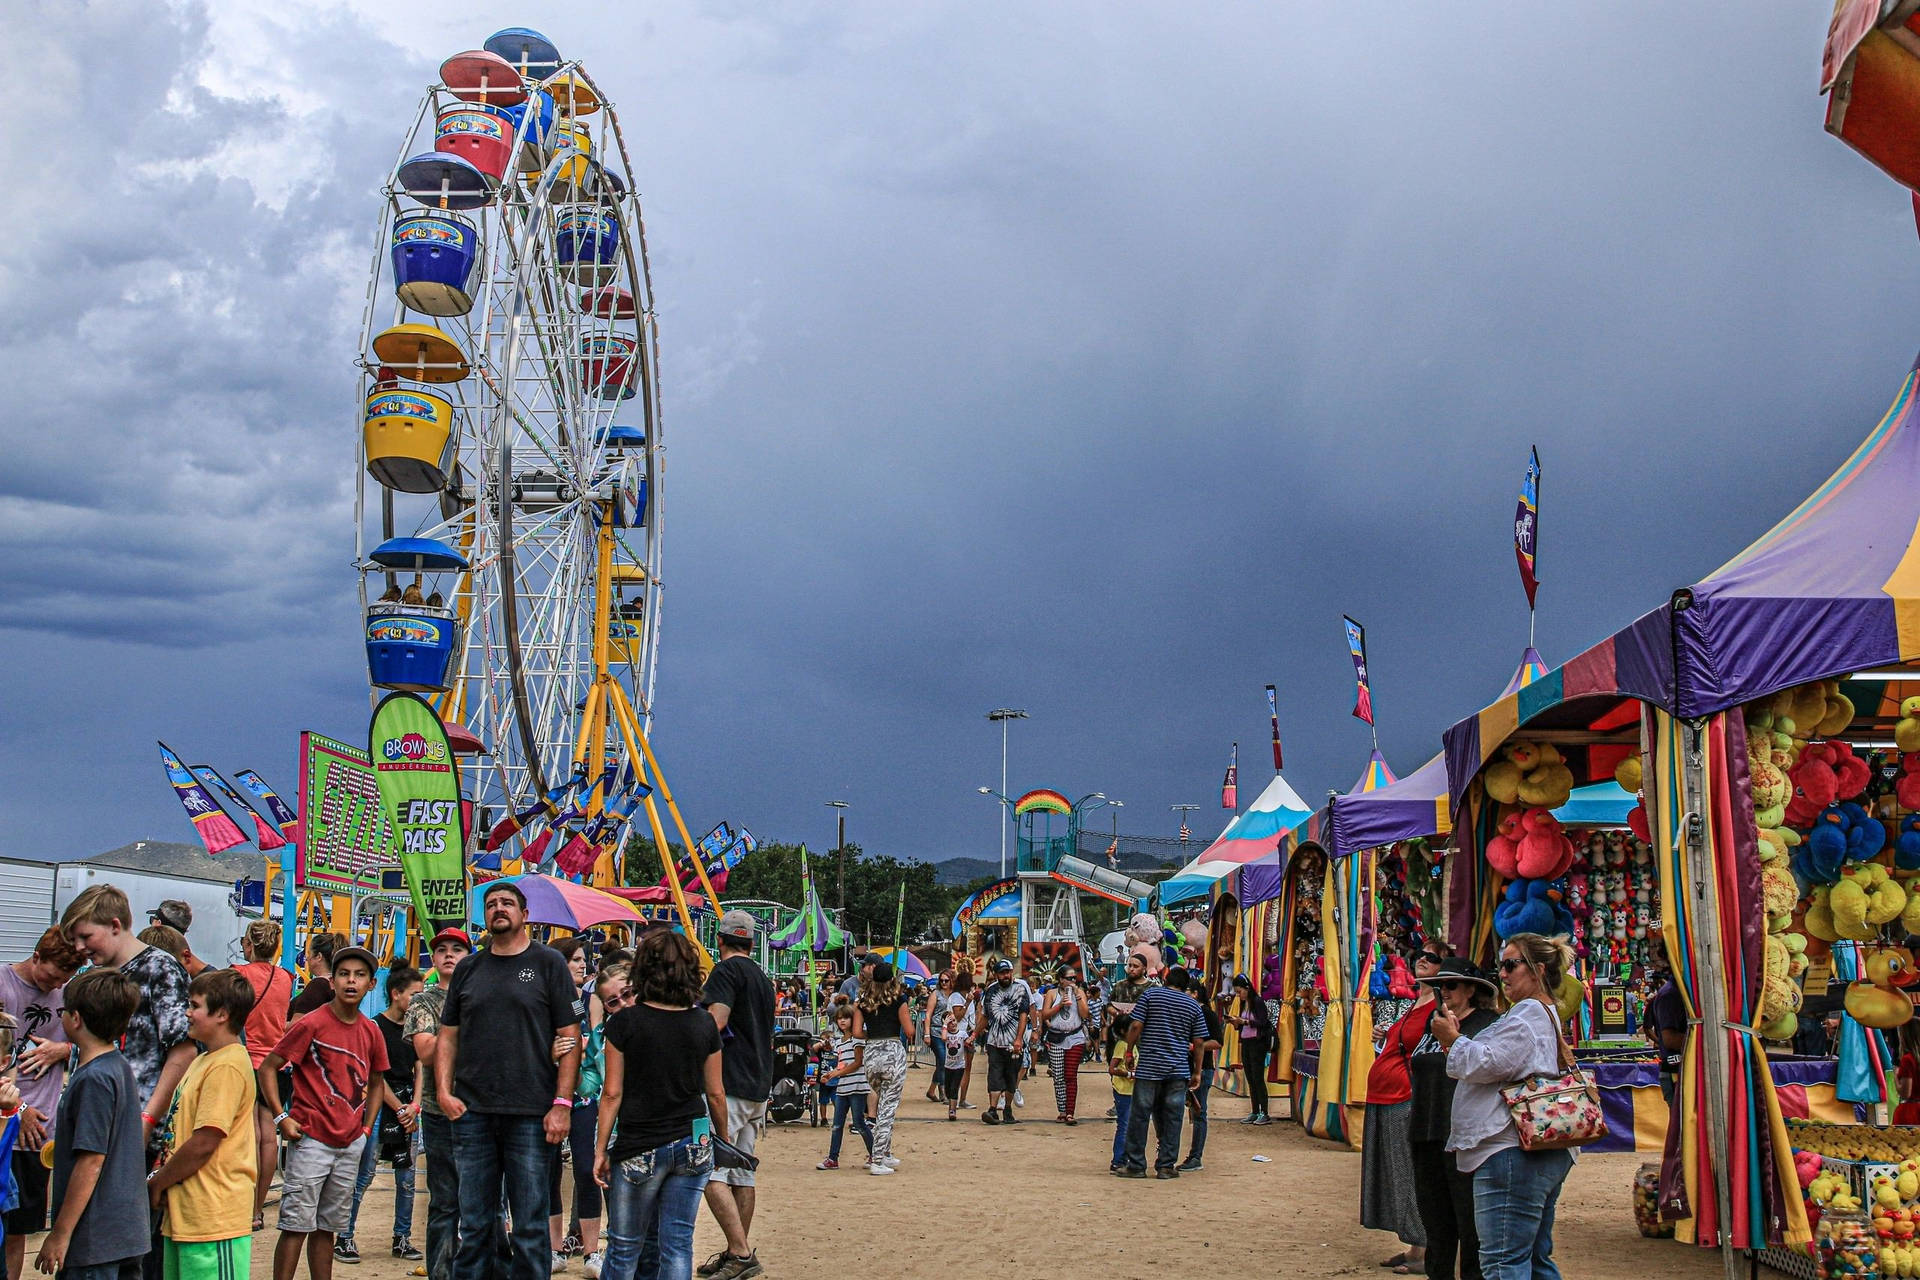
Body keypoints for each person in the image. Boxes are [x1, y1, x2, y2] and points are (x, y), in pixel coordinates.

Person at [436, 884, 581, 1280]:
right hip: (473, 1113)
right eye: (491, 904)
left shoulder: (549, 963)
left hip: (532, 1114)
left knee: (531, 1227)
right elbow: (448, 1035)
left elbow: (570, 1035)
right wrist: (444, 1092)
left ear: (525, 913)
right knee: (476, 1224)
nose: (498, 909)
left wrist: (562, 1104)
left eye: (507, 903)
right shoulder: (469, 967)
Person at [61, 885, 193, 1280]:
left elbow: (183, 1050)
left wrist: (147, 1120)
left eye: (86, 936)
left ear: (115, 925)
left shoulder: (160, 968)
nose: (81, 947)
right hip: (98, 1125)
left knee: (126, 1251)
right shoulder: (95, 975)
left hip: (138, 1137)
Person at [1431, 933, 1578, 1280]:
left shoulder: (1527, 1014)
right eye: (1501, 966)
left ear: (1538, 970)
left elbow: (1489, 1064)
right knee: (1534, 1260)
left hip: (1510, 1150)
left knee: (1502, 1263)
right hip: (1531, 1149)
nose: (1504, 974)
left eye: (1511, 965)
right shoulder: (1540, 1013)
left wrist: (1453, 1040)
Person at [595, 931, 725, 1280]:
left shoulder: (623, 1023)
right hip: (693, 1142)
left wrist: (600, 1149)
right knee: (678, 1244)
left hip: (640, 1144)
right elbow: (715, 1093)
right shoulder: (704, 1023)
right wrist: (722, 1138)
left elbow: (612, 1094)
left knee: (624, 1246)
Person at [258, 946, 394, 1280]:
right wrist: (281, 1116)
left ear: (372, 984)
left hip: (349, 1143)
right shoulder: (313, 1023)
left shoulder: (371, 1031)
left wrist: (365, 1129)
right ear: (331, 981)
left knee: (327, 1228)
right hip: (311, 1140)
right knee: (295, 1226)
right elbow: (269, 1067)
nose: (352, 981)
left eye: (359, 975)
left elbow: (377, 1082)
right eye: (344, 974)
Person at [150, 969, 258, 1280]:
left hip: (214, 1219)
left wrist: (160, 1181)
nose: (188, 1012)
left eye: (195, 1005)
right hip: (188, 1216)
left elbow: (204, 1141)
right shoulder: (202, 1060)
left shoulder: (228, 1065)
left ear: (222, 1014)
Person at [39, 969, 138, 1280]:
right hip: (123, 1233)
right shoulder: (118, 1066)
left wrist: (60, 1233)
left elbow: (91, 1161)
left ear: (76, 1019)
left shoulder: (95, 1078)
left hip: (94, 1239)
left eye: (63, 1010)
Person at [1, 926, 84, 1280]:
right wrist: (19, 1111)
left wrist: (63, 1049)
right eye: (51, 976)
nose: (54, 986)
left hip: (38, 1137)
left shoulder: (67, 995)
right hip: (8, 1124)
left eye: (63, 980)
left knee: (19, 1227)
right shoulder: (4, 984)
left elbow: (95, 1045)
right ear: (37, 956)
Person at [1407, 959, 1499, 1280]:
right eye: (1439, 986)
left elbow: (1486, 1070)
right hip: (1426, 1132)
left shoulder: (1488, 1024)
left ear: (1472, 989)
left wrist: (1454, 1040)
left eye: (1451, 985)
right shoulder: (1433, 1022)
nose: (1442, 991)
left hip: (1464, 1138)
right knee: (1436, 1225)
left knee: (1471, 1227)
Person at [696, 912, 773, 1280]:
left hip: (728, 1083)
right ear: (752, 943)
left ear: (720, 939)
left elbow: (718, 1021)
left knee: (708, 1169)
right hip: (758, 1083)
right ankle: (735, 1253)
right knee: (742, 1173)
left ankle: (740, 1253)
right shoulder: (762, 978)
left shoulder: (724, 973)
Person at [1363, 949, 1443, 1272]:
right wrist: (1385, 1036)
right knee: (1396, 1172)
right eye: (1419, 954)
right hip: (1386, 1094)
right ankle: (1415, 1247)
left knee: (1409, 1173)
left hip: (1405, 1096)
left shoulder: (1437, 1008)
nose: (1422, 959)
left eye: (1431, 956)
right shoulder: (1415, 1002)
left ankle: (1425, 1249)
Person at [339, 967, 423, 1265]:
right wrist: (398, 1106)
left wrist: (414, 1105)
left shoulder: (416, 1028)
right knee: (364, 1175)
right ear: (396, 994)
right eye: (414, 994)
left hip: (408, 1108)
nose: (418, 999)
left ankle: (402, 1237)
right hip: (378, 1107)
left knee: (408, 1179)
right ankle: (344, 1236)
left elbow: (420, 1066)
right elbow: (373, 1075)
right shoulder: (375, 1028)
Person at [403, 928, 471, 1280]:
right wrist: (463, 1023)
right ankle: (441, 1274)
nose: (448, 954)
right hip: (437, 1109)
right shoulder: (422, 1001)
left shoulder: (482, 994)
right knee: (445, 1201)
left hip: (481, 1108)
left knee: (484, 1202)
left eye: (456, 949)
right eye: (441, 949)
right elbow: (427, 1052)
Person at [1117, 965, 1205, 1180]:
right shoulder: (1193, 1005)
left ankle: (1136, 1165)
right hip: (1177, 1069)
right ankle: (1166, 1166)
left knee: (1140, 1115)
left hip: (1149, 1066)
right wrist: (1197, 1071)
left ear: (1166, 979)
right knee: (1173, 1118)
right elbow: (1199, 1041)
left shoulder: (1151, 995)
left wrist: (1129, 1052)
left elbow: (1136, 1025)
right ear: (1185, 986)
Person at [547, 939, 602, 1276]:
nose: (583, 965)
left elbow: (596, 1046)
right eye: (576, 960)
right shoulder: (545, 1002)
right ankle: (554, 1250)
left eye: (584, 960)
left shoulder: (589, 1001)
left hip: (585, 1097)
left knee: (586, 1170)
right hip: (550, 1095)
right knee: (550, 1171)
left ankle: (591, 1251)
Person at [235, 921, 293, 1234]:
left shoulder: (237, 975)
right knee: (268, 1134)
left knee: (249, 1135)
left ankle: (244, 1206)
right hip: (276, 1064)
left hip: (246, 1062)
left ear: (249, 945)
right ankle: (258, 1209)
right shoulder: (285, 978)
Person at [851, 962, 911, 1175]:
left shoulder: (862, 1001)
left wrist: (873, 1036)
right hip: (892, 1053)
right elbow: (910, 1030)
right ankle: (876, 1159)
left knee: (882, 1101)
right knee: (887, 1109)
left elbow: (857, 1032)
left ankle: (885, 1152)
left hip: (871, 1054)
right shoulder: (899, 1000)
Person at [1175, 969, 1223, 1172]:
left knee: (1199, 1111)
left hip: (1202, 1068)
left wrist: (1195, 1047)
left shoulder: (1206, 1014)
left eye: (1186, 991)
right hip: (1186, 1067)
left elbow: (1217, 1042)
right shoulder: (1189, 1012)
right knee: (1193, 1111)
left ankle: (1196, 1156)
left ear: (1194, 993)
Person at [976, 960, 1031, 1126]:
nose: (1005, 976)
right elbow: (985, 1016)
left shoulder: (1020, 989)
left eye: (1007, 972)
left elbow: (1023, 1015)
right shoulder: (991, 991)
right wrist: (975, 1034)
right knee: (994, 1076)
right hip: (994, 1041)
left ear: (1012, 972)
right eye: (1002, 973)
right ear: (996, 974)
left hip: (1013, 1042)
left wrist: (1019, 1038)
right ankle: (992, 1109)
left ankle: (1007, 1108)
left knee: (1011, 1077)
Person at [815, 1006, 870, 1169]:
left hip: (857, 1086)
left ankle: (876, 1154)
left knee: (859, 1123)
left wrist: (835, 1074)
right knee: (837, 1124)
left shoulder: (857, 1040)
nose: (842, 1021)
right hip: (843, 1087)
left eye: (846, 1018)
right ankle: (833, 1158)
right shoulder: (839, 1043)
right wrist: (832, 1073)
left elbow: (857, 1063)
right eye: (840, 1018)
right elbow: (843, 1064)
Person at [1037, 973, 1089, 1124]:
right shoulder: (1052, 994)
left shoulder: (1079, 992)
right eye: (1069, 978)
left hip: (1075, 1037)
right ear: (1060, 979)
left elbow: (1085, 1014)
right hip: (1056, 1038)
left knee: (1071, 1075)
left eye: (1074, 978)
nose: (1072, 981)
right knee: (1058, 1076)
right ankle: (1062, 1110)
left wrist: (1078, 996)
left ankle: (1070, 1113)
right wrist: (1060, 1005)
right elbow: (1045, 1014)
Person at [1230, 973, 1276, 1124]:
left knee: (1258, 1078)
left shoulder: (1257, 1002)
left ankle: (1264, 1112)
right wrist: (1237, 1023)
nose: (1239, 995)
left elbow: (1262, 1022)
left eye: (1240, 991)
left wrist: (1244, 1021)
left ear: (1247, 988)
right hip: (1246, 1042)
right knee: (1250, 1078)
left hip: (1258, 1044)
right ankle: (1255, 1111)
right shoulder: (1244, 1004)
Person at [1105, 1005, 1138, 1173]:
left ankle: (1123, 1157)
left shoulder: (1131, 1045)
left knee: (1128, 1125)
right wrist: (1128, 1074)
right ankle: (1118, 1160)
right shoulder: (1122, 1045)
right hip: (1124, 1090)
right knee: (1124, 1125)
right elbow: (1112, 1069)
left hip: (1130, 1090)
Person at [289, 936, 343, 1020]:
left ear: (318, 956)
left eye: (309, 953)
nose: (307, 958)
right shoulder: (338, 985)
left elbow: (297, 1025)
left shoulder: (318, 985)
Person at [939, 997, 972, 1122]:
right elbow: (943, 1038)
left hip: (959, 1066)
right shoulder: (946, 1034)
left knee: (954, 1088)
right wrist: (944, 1025)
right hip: (948, 1066)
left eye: (953, 1021)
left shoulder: (962, 1034)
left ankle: (952, 1110)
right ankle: (950, 1104)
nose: (952, 1023)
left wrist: (969, 1042)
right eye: (950, 1022)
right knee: (947, 1089)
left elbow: (968, 1043)